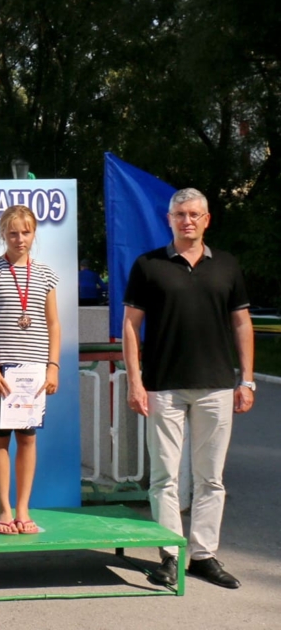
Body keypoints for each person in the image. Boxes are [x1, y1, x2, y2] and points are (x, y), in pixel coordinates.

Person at [122, 188, 255, 589]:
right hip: (163, 386)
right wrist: (135, 381)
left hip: (217, 386)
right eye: (180, 214)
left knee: (210, 478)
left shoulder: (227, 265)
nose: (187, 221)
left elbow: (242, 324)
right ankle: (170, 555)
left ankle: (203, 556)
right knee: (164, 478)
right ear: (169, 219)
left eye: (195, 214)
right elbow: (130, 326)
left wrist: (247, 380)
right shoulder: (148, 265)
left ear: (207, 220)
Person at [0, 204, 60, 535]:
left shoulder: (46, 274)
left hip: (33, 371)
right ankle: (4, 509)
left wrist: (52, 367)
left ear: (34, 234)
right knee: (0, 436)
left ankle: (23, 508)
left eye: (26, 232)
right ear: (2, 235)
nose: (20, 239)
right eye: (12, 233)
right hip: (1, 369)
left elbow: (53, 323)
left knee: (28, 438)